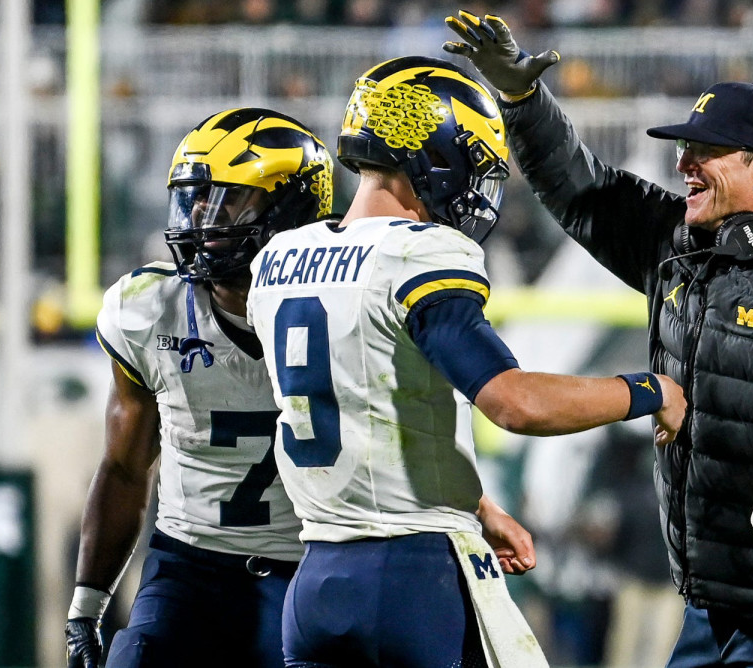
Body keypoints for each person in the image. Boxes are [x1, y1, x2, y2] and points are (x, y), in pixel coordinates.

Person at [444, 12, 753, 667]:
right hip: (710, 602)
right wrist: (523, 103)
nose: (684, 162)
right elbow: (583, 189)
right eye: (684, 147)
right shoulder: (679, 246)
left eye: (706, 151)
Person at [244, 56, 686, 667]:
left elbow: (366, 405)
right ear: (435, 153)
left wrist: (476, 507)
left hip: (316, 577)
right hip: (410, 581)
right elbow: (515, 403)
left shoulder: (279, 260)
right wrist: (649, 389)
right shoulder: (420, 255)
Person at [65, 108, 537, 668]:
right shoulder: (149, 311)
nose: (200, 217)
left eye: (227, 200)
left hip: (308, 563)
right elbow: (123, 465)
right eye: (193, 198)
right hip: (189, 566)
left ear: (288, 208)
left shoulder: (351, 296)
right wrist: (85, 607)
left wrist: (477, 508)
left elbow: (391, 431)